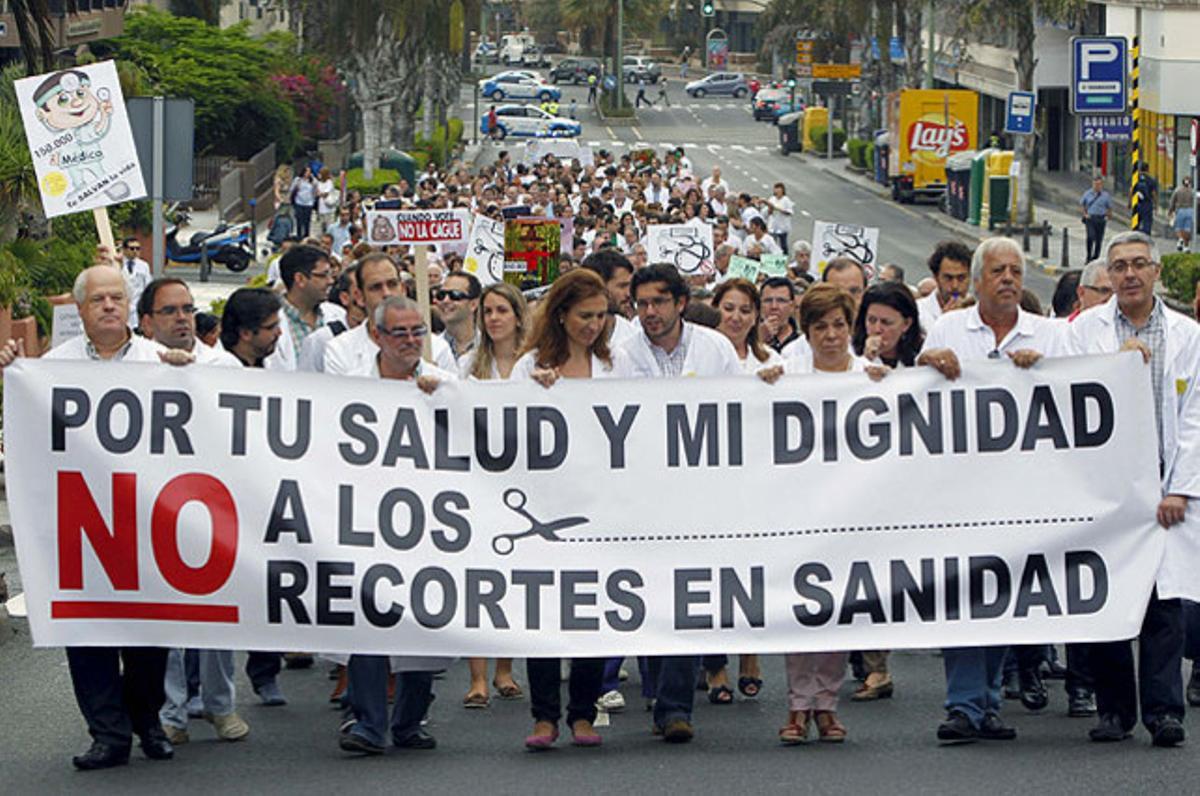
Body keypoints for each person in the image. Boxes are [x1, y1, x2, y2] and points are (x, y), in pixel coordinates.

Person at [0, 266, 190, 770]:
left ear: (129, 307)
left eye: (116, 297)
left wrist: (192, 373)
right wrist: (14, 375)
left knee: (151, 634)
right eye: (97, 299)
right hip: (81, 524)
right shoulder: (51, 366)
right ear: (80, 310)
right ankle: (108, 735)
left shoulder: (164, 360)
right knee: (88, 634)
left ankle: (145, 718)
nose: (108, 306)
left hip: (151, 522)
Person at [918, 237, 1065, 746]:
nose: (1008, 278)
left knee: (1004, 598)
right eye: (998, 270)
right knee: (963, 596)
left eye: (1016, 271)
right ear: (977, 280)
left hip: (1023, 494)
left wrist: (1044, 369)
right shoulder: (950, 328)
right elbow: (916, 398)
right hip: (958, 492)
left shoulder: (1049, 334)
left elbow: (1084, 389)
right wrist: (930, 362)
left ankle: (986, 702)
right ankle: (963, 705)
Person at [1061, 230, 1200, 748]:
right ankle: (1115, 711)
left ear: (1157, 272)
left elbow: (1194, 418)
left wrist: (1180, 489)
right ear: (1108, 276)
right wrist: (1114, 364)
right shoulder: (1086, 332)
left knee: (1165, 603)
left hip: (1166, 480)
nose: (1130, 274)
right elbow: (1067, 392)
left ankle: (1165, 713)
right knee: (1110, 597)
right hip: (1108, 485)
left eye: (1139, 264)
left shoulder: (1188, 335)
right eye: (1119, 267)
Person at [614, 263, 741, 742]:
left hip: (698, 497)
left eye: (658, 302)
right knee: (651, 595)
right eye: (641, 304)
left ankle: (673, 705)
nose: (649, 312)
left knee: (685, 597)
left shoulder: (716, 349)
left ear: (681, 303)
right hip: (642, 495)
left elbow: (745, 410)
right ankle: (659, 685)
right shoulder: (622, 354)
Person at [339, 295, 455, 755]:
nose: (409, 341)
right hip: (365, 519)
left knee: (421, 619)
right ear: (377, 336)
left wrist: (441, 403)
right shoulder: (348, 386)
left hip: (429, 520)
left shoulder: (443, 382)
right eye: (399, 332)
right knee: (368, 617)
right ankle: (367, 722)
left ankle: (409, 720)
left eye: (417, 332)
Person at [513, 270, 622, 751]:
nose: (593, 325)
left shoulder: (616, 366)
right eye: (584, 316)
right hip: (546, 508)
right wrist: (534, 395)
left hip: (601, 508)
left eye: (601, 316)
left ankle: (582, 712)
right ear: (561, 315)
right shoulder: (529, 367)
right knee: (546, 617)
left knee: (591, 616)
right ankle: (544, 717)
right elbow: (505, 431)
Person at [777, 283, 872, 745]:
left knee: (840, 612)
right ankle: (798, 706)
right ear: (807, 331)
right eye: (821, 327)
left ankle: (827, 706)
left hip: (853, 510)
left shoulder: (874, 376)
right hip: (800, 509)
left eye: (839, 325)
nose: (831, 335)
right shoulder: (786, 375)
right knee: (801, 611)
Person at [459, 282, 529, 707]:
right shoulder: (470, 363)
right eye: (487, 312)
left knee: (514, 578)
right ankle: (478, 677)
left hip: (523, 480)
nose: (494, 318)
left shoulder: (535, 362)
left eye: (502, 310)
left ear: (518, 316)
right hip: (479, 480)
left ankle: (505, 669)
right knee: (477, 578)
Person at [271, 244, 336, 371]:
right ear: (300, 279)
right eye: (323, 275)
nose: (330, 281)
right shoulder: (269, 321)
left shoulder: (337, 314)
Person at [714, 278, 785, 375]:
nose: (736, 318)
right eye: (728, 309)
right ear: (715, 309)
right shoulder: (695, 355)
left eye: (745, 311)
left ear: (755, 316)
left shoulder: (771, 360)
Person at [917, 240, 972, 333]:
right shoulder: (919, 312)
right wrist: (946, 321)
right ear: (936, 278)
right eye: (948, 278)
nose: (955, 286)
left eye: (961, 278)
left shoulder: (979, 310)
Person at [435, 271, 481, 365]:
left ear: (473, 304)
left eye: (455, 295)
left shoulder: (492, 348)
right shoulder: (431, 348)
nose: (446, 301)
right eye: (441, 295)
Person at [759, 276, 801, 352]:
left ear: (792, 306)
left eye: (781, 301)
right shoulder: (745, 338)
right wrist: (758, 340)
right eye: (768, 300)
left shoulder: (803, 341)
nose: (774, 306)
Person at [119, 237, 151, 327]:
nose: (135, 251)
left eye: (138, 248)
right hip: (122, 305)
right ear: (124, 250)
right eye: (132, 248)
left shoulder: (144, 266)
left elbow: (147, 286)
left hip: (137, 306)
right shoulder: (118, 264)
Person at [1081, 176, 1113, 262]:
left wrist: (1108, 216)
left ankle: (1096, 257)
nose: (1097, 186)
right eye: (1095, 184)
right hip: (1091, 218)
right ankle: (1088, 256)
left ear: (1102, 185)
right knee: (1090, 236)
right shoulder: (1087, 194)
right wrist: (1085, 214)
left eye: (1099, 184)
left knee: (1099, 239)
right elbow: (1083, 205)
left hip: (1101, 219)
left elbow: (1109, 207)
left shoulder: (1106, 195)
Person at [290, 166, 318, 238]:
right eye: (306, 171)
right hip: (299, 202)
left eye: (309, 172)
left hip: (309, 202)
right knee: (299, 219)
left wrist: (314, 187)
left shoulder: (313, 180)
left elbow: (315, 191)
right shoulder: (298, 180)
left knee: (307, 220)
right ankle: (299, 235)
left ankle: (306, 235)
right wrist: (297, 187)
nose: (308, 173)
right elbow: (291, 189)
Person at [766, 183, 794, 252]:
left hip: (783, 226)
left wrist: (778, 209)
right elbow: (769, 212)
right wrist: (770, 208)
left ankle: (784, 256)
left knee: (783, 245)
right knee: (772, 244)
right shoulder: (772, 199)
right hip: (773, 225)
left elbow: (789, 212)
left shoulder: (786, 200)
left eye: (779, 191)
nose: (777, 193)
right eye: (776, 191)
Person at [1169, 176, 1194, 251]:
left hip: (1180, 210)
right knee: (1187, 229)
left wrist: (1171, 210)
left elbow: (1172, 201)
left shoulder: (1178, 190)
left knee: (1178, 228)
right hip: (1189, 210)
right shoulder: (1192, 191)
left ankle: (1180, 239)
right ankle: (1186, 247)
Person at [1133, 162, 1158, 235]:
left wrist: (1130, 203)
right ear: (1148, 169)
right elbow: (1153, 194)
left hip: (1137, 203)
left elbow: (1131, 190)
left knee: (1136, 222)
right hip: (1147, 204)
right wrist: (1156, 205)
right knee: (1147, 222)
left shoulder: (1136, 178)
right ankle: (1146, 238)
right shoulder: (1151, 180)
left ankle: (1135, 236)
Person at [316, 167, 339, 233]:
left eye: (320, 173)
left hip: (329, 207)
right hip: (321, 207)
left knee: (329, 226)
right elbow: (317, 193)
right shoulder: (319, 183)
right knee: (321, 225)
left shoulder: (329, 182)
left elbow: (325, 193)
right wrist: (320, 194)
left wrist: (320, 194)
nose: (319, 175)